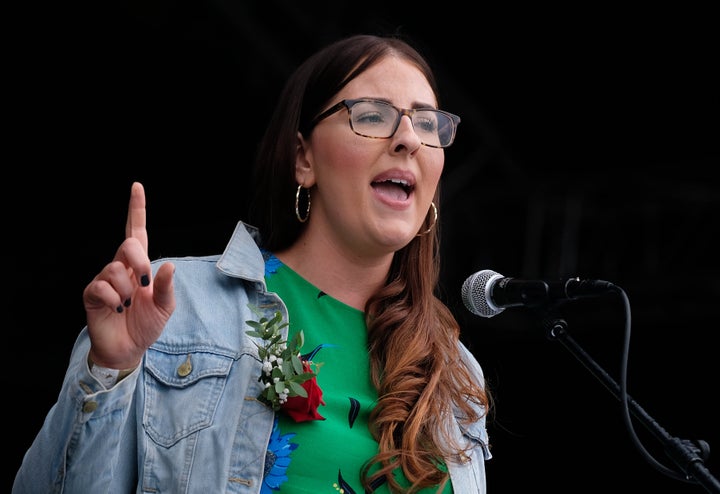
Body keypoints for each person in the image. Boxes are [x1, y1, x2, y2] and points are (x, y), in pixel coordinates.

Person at [13, 33, 492, 493]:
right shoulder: (175, 308)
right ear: (303, 158)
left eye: (427, 123)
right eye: (372, 116)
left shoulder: (455, 371)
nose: (408, 138)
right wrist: (108, 373)